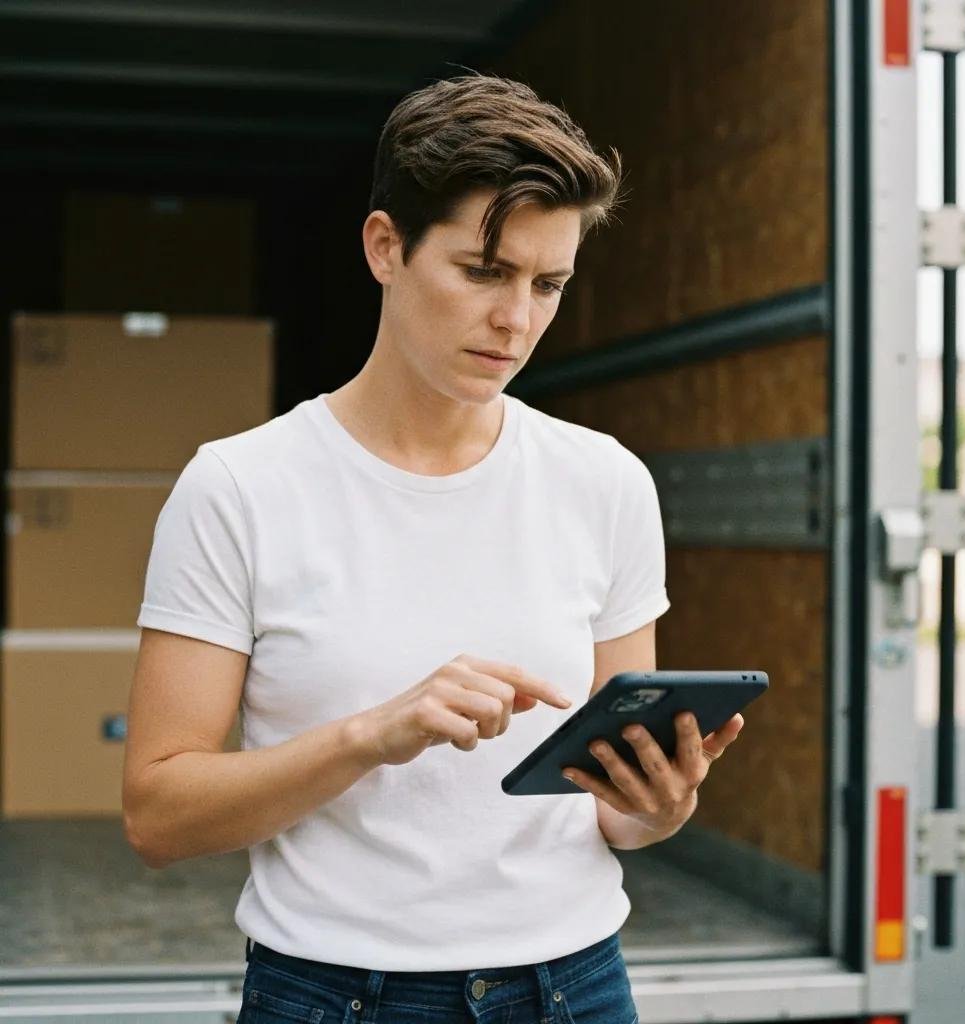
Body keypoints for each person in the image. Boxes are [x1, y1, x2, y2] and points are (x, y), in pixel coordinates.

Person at [123, 71, 743, 1024]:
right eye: (484, 272)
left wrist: (660, 806)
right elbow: (159, 815)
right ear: (386, 247)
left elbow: (618, 815)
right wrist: (374, 735)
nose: (518, 320)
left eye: (550, 284)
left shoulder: (605, 481)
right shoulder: (240, 488)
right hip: (332, 993)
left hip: (574, 986)